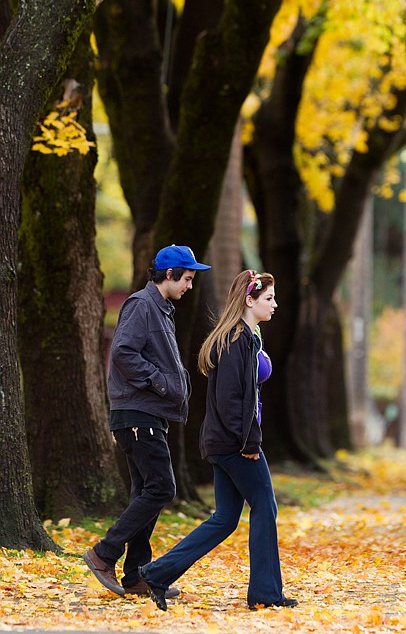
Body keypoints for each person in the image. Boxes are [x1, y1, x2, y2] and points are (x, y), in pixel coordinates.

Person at [137, 269, 299, 611]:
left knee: (225, 517)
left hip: (228, 442)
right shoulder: (236, 340)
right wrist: (249, 444)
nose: (275, 304)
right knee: (265, 507)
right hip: (234, 443)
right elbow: (230, 401)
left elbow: (245, 396)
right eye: (268, 298)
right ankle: (266, 594)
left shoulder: (248, 337)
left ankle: (156, 573)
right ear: (249, 300)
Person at [83, 245, 211, 597]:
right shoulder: (142, 305)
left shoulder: (162, 309)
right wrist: (161, 382)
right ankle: (103, 553)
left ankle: (136, 575)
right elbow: (123, 352)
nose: (189, 285)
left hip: (147, 413)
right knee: (162, 488)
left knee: (145, 491)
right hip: (136, 414)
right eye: (186, 278)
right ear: (168, 275)